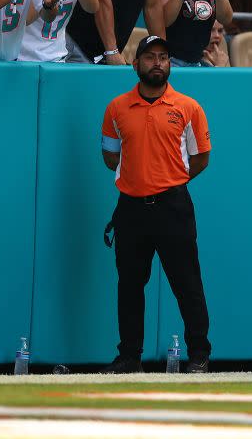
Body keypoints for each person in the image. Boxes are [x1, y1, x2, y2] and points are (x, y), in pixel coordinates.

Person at [100, 35, 212, 374]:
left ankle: (199, 354)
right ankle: (129, 356)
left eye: (164, 57)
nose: (158, 63)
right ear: (136, 65)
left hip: (173, 206)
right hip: (131, 208)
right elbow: (110, 156)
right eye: (150, 57)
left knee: (187, 283)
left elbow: (201, 157)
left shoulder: (189, 107)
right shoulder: (117, 107)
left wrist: (169, 180)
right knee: (130, 285)